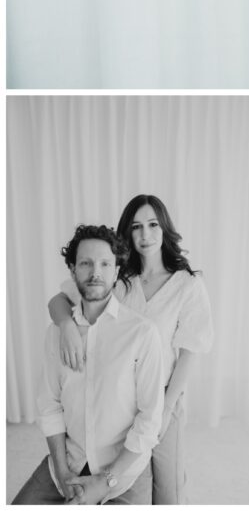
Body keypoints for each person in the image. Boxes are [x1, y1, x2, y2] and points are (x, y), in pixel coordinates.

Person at [48, 195, 214, 505]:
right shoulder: (118, 279)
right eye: (136, 227)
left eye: (153, 225)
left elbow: (190, 352)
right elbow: (59, 300)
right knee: (123, 475)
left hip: (165, 395)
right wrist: (66, 327)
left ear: (165, 229)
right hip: (120, 396)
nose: (145, 235)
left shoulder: (188, 285)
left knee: (168, 489)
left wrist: (164, 410)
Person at [13, 225, 164, 505]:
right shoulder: (56, 333)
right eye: (85, 263)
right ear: (72, 271)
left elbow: (149, 419)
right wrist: (61, 470)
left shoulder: (142, 333)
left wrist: (106, 481)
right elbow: (50, 406)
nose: (96, 272)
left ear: (116, 271)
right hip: (68, 463)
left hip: (123, 474)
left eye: (105, 264)